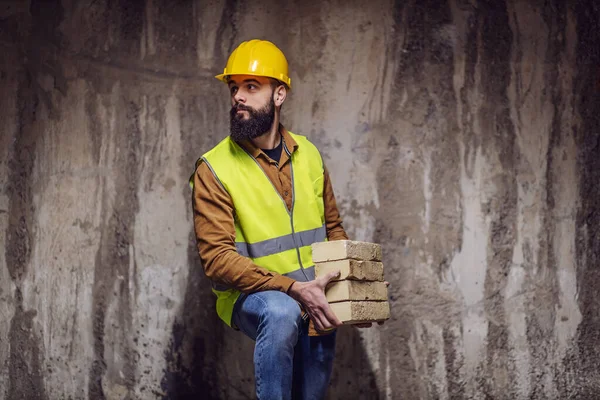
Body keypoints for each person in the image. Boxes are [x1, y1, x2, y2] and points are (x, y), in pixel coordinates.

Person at [190, 39, 373, 399]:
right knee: (280, 310)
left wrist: (355, 290)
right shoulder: (214, 168)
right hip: (254, 296)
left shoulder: (310, 155)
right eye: (234, 88)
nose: (238, 97)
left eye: (251, 87)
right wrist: (292, 289)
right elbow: (216, 260)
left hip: (314, 293)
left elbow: (333, 229)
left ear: (279, 95)